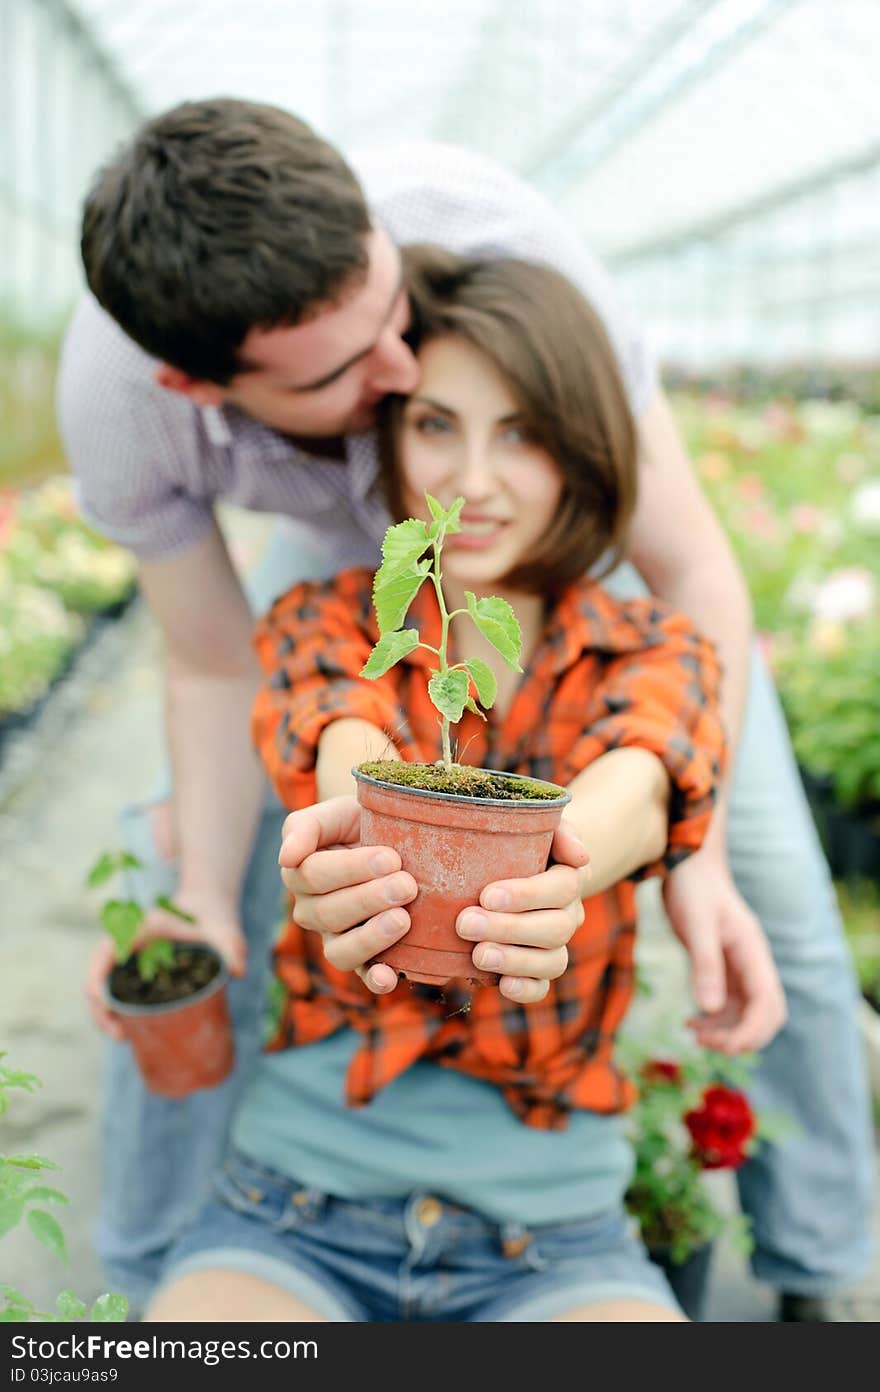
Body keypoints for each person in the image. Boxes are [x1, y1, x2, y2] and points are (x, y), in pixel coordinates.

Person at [58, 98, 872, 1321]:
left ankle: (822, 1265)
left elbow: (691, 598)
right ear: (199, 384)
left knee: (780, 914)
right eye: (351, 370)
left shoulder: (499, 245)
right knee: (188, 872)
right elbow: (242, 669)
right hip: (366, 558)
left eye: (390, 308)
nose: (392, 365)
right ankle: (169, 1265)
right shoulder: (125, 413)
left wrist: (686, 854)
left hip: (570, 572)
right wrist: (299, 842)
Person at [146, 249, 729, 1322]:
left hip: (553, 1237)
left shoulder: (660, 648)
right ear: (389, 442)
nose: (473, 482)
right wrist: (351, 839)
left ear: (584, 445)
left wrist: (555, 871)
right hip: (293, 1206)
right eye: (434, 426)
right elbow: (338, 725)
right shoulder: (328, 621)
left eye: (523, 432)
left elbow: (644, 776)